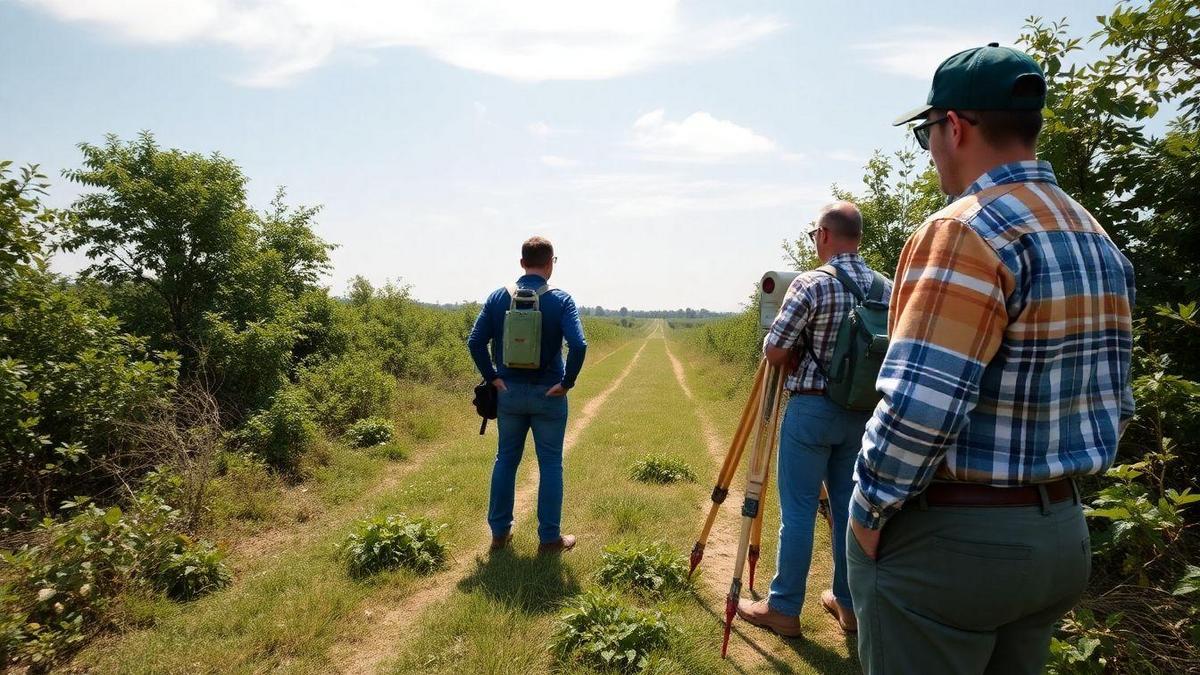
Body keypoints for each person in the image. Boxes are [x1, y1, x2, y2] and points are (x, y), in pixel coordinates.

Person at [848, 44, 1136, 674]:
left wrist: (867, 513)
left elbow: (920, 406)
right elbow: (1116, 393)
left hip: (956, 547)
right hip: (1060, 533)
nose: (930, 149)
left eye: (927, 132)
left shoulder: (965, 229)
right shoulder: (1095, 235)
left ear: (953, 126)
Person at [737, 202, 891, 637]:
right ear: (857, 237)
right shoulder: (887, 287)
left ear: (823, 235)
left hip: (811, 410)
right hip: (864, 414)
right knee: (847, 509)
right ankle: (848, 604)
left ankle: (784, 607)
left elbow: (776, 350)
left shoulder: (810, 284)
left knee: (799, 510)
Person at [467, 236, 587, 554]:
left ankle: (499, 534)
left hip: (509, 394)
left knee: (506, 459)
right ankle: (549, 539)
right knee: (550, 464)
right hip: (550, 394)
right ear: (551, 264)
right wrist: (567, 382)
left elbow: (475, 341)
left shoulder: (498, 298)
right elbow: (578, 345)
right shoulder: (561, 300)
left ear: (522, 263)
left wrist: (493, 378)